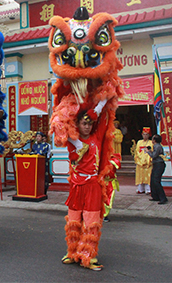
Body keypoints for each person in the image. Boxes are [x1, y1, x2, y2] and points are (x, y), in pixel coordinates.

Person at [62, 110, 110, 271]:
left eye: (89, 123)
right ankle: (72, 251)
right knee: (74, 220)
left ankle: (88, 254)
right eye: (84, 123)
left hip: (92, 186)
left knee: (91, 222)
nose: (87, 127)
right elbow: (60, 124)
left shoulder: (96, 137)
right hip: (76, 185)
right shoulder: (71, 139)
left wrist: (103, 96)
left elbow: (104, 117)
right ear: (77, 124)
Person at [146, 134, 167, 205]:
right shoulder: (156, 146)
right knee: (152, 180)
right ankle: (155, 196)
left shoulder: (157, 146)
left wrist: (148, 152)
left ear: (154, 140)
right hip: (156, 164)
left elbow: (154, 156)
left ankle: (163, 198)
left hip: (159, 164)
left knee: (156, 181)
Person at [134, 128, 153, 194]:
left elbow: (151, 152)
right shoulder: (139, 142)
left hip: (147, 162)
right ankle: (140, 189)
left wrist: (149, 160)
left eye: (146, 134)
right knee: (140, 176)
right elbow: (136, 152)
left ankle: (148, 189)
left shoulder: (151, 142)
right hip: (140, 162)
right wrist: (138, 160)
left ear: (149, 135)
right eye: (144, 134)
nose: (145, 136)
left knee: (148, 176)